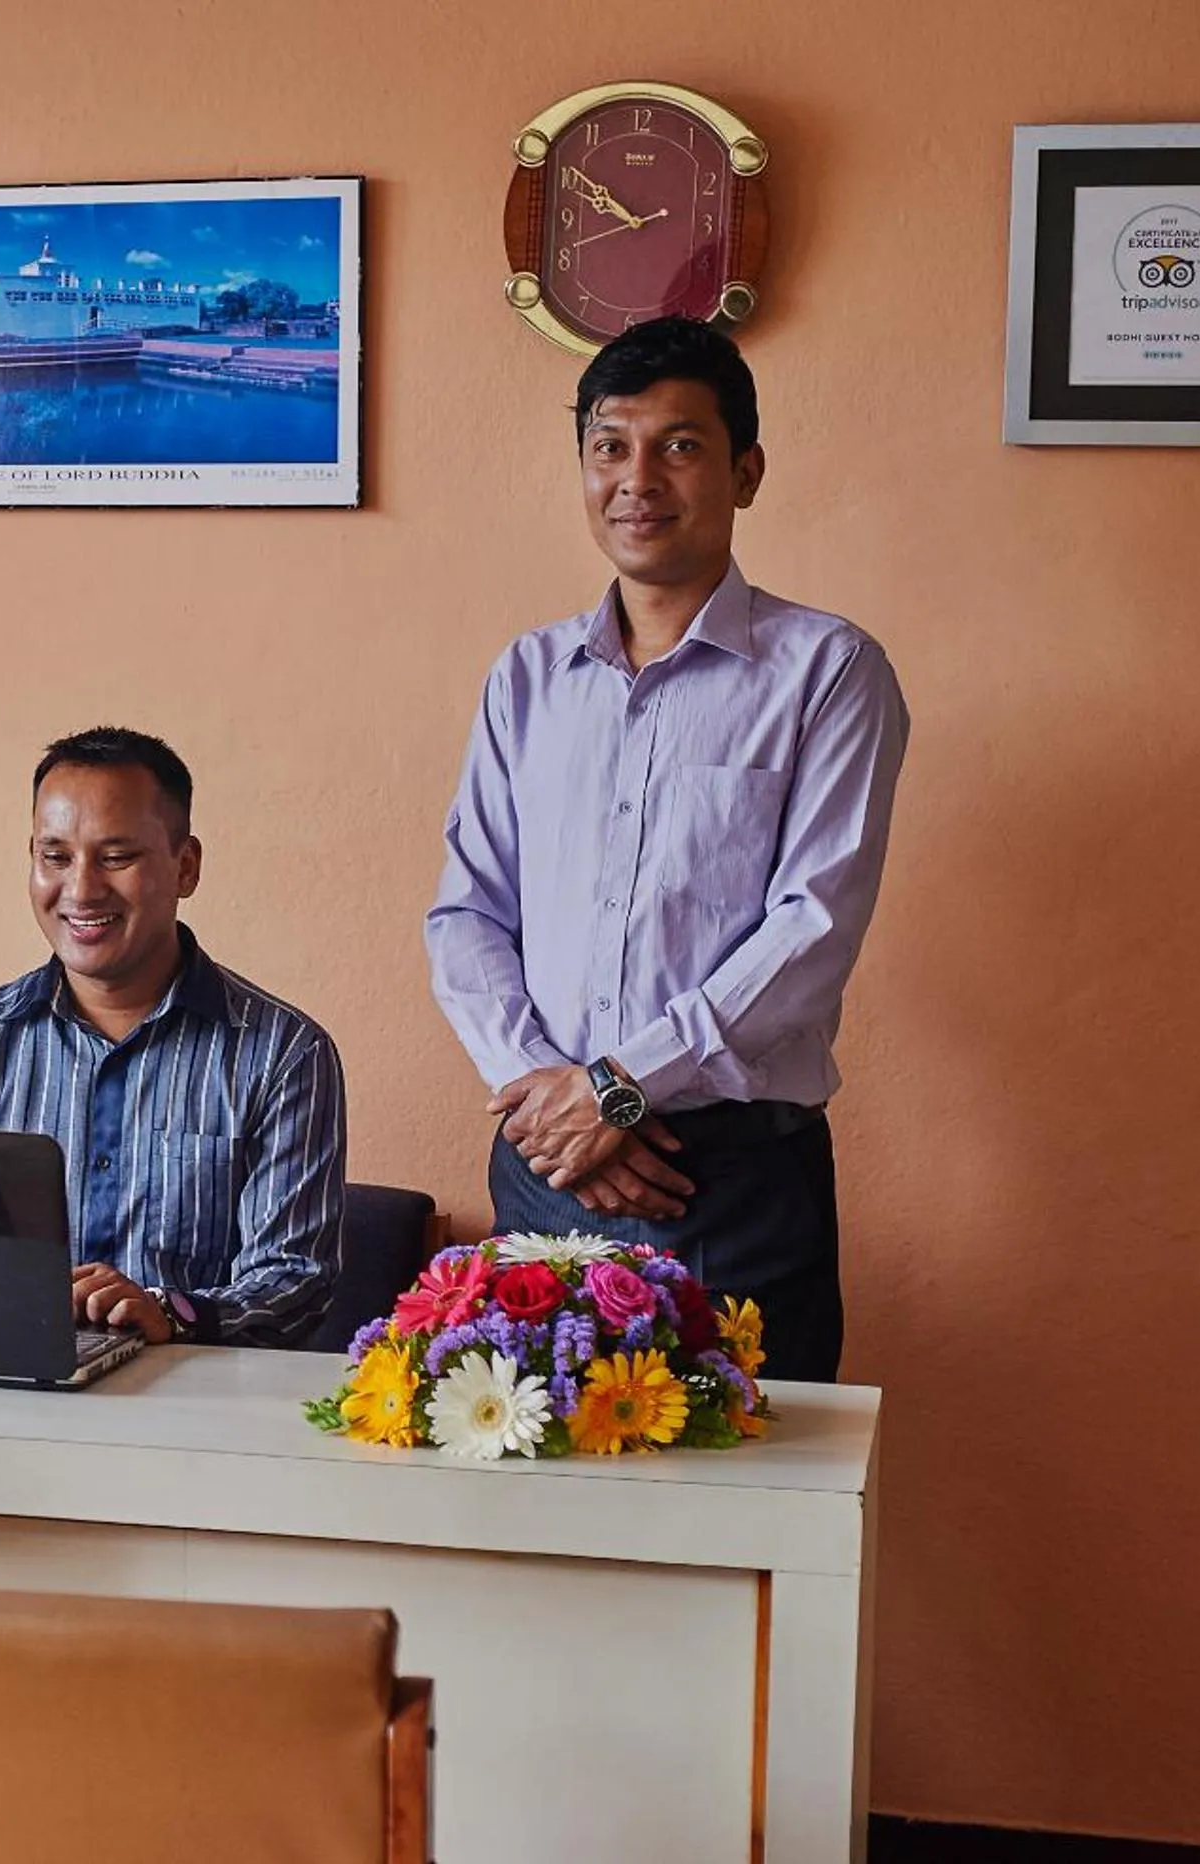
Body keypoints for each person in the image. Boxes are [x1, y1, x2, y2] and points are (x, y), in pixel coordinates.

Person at [424, 316, 909, 1383]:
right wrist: (553, 1101)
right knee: (541, 1504)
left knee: (749, 1509)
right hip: (544, 1163)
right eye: (610, 445)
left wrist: (618, 1089)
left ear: (746, 470)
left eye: (679, 445)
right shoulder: (528, 676)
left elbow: (811, 927)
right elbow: (467, 913)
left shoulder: (828, 671)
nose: (637, 477)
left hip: (729, 1181)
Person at [0, 727, 346, 1347]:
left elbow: (295, 1283)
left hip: (192, 1412)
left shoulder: (283, 1053)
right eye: (54, 857)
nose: (81, 890)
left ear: (185, 866)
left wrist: (169, 1312)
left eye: (116, 857)